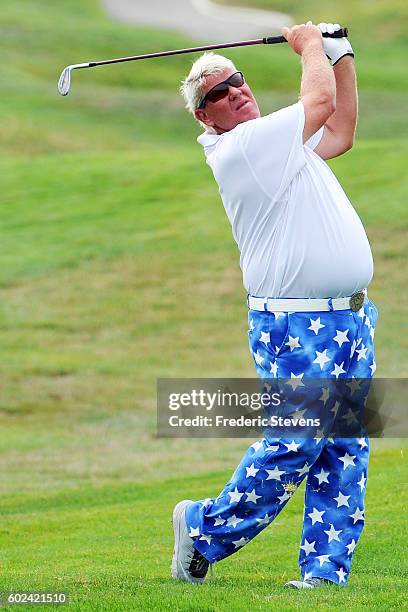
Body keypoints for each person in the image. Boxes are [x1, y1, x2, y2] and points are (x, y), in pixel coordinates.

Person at [172, 22, 377, 589]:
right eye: (218, 93)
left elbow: (340, 128)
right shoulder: (243, 148)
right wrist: (309, 45)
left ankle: (324, 575)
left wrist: (339, 52)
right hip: (294, 323)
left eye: (236, 80)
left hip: (348, 319)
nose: (235, 91)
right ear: (205, 117)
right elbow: (317, 101)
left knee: (344, 448)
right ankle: (202, 528)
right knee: (294, 445)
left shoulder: (279, 140)